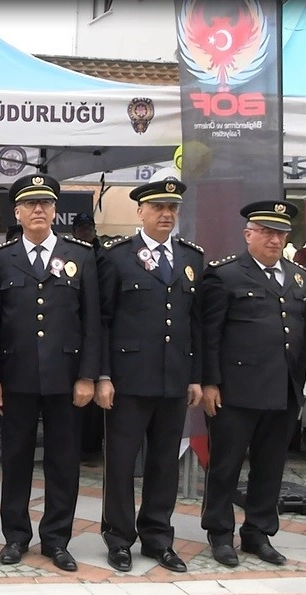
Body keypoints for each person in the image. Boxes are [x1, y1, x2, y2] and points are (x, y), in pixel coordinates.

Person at [0, 175, 100, 571]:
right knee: (15, 460)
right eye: (30, 204)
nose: (38, 209)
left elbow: (92, 321)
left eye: (46, 203)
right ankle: (16, 537)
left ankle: (56, 539)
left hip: (66, 378)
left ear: (55, 211)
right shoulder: (1, 259)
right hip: (16, 377)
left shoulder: (80, 255)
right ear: (17, 213)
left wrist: (88, 375)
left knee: (63, 462)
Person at [95, 177, 204, 574]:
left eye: (172, 208)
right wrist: (103, 375)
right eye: (158, 207)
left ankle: (158, 537)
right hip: (128, 379)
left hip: (173, 377)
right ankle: (119, 537)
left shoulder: (191, 258)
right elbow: (102, 321)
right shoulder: (117, 256)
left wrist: (195, 375)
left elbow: (195, 323)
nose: (166, 214)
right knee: (121, 463)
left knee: (164, 462)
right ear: (140, 211)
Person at [198, 200, 306, 567]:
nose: (274, 239)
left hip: (283, 388)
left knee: (270, 466)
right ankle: (220, 533)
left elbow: (303, 331)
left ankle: (258, 532)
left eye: (280, 233)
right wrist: (210, 383)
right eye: (266, 232)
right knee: (226, 465)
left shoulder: (299, 276)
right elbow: (209, 335)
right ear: (248, 234)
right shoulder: (225, 274)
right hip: (236, 390)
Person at [71, 212, 105, 459]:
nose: (85, 231)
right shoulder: (70, 253)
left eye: (88, 227)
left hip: (90, 336)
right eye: (81, 228)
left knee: (91, 408)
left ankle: (90, 446)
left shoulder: (103, 254)